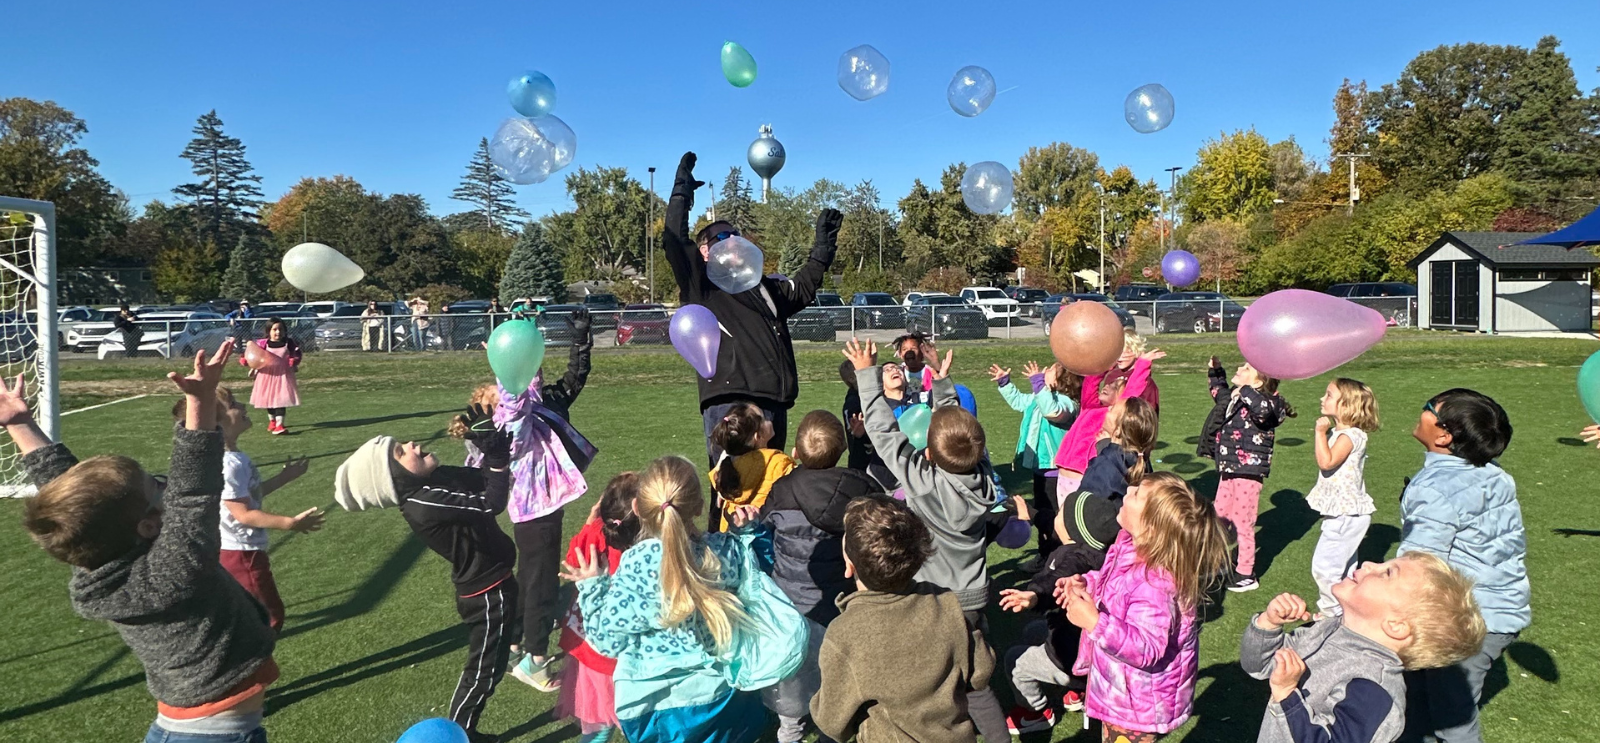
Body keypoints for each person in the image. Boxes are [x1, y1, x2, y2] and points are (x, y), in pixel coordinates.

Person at [15, 342, 282, 743]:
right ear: (146, 527)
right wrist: (201, 401)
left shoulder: (99, 555)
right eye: (156, 487)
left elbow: (69, 491)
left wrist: (19, 422)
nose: (164, 485)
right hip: (215, 737)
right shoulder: (174, 572)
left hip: (187, 728)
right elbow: (194, 492)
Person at [661, 152, 842, 527]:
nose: (730, 241)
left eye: (734, 235)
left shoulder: (765, 288)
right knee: (731, 497)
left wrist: (823, 246)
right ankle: (722, 567)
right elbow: (673, 240)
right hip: (728, 403)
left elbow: (804, 287)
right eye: (719, 236)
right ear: (705, 251)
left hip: (772, 404)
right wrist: (681, 191)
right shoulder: (703, 285)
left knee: (773, 495)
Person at [843, 337, 1010, 742]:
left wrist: (867, 375)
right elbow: (959, 434)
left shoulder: (926, 483)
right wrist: (943, 382)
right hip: (974, 598)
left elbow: (884, 434)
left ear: (929, 455)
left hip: (936, 601)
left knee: (933, 677)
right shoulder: (984, 477)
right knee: (975, 679)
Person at [333, 408, 516, 743]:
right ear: (395, 480)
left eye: (403, 443)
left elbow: (481, 482)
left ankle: (464, 730)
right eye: (401, 452)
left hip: (492, 583)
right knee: (484, 670)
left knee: (492, 661)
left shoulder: (433, 484)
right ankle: (458, 734)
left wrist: (485, 446)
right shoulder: (424, 501)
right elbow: (492, 501)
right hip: (486, 592)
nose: (413, 444)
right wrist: (499, 459)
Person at [564, 455, 774, 743]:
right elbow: (762, 578)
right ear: (700, 506)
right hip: (722, 696)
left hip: (653, 709)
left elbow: (606, 641)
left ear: (637, 507)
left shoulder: (636, 566)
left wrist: (593, 588)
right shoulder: (725, 552)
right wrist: (750, 533)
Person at [467, 307, 596, 691]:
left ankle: (520, 641)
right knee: (540, 582)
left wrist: (526, 330)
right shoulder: (510, 424)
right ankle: (535, 660)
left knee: (532, 577)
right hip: (536, 511)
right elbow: (516, 394)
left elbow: (529, 384)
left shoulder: (524, 411)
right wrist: (501, 362)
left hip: (538, 509)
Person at [1056, 472, 1232, 743]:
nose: (1128, 491)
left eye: (1137, 494)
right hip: (1124, 693)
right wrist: (1086, 585)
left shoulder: (1156, 583)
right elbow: (1116, 589)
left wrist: (1094, 621)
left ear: (1150, 526)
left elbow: (1147, 648)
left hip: (1136, 707)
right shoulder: (1129, 545)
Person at [1241, 554, 1487, 743]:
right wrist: (1268, 624)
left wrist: (1286, 695)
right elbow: (1259, 666)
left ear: (1396, 625)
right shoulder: (1326, 628)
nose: (1369, 564)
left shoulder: (1375, 690)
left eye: (1387, 573)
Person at [1398, 389, 1527, 743]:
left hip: (1463, 622)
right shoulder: (1494, 474)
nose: (1421, 411)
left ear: (1443, 435)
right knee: (1416, 706)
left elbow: (1418, 565)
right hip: (1500, 613)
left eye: (1429, 409)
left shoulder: (1435, 488)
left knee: (1453, 725)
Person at [810, 496, 996, 743]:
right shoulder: (944, 603)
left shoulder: (844, 633)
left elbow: (832, 722)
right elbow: (981, 671)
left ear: (849, 566)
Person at [759, 410, 883, 743]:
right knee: (837, 678)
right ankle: (832, 731)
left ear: (796, 452)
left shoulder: (782, 490)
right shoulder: (860, 485)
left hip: (794, 603)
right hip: (840, 603)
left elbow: (763, 532)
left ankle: (791, 733)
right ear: (842, 447)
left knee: (795, 680)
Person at [168, 388, 321, 634]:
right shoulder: (230, 464)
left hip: (233, 550)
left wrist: (283, 478)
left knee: (246, 613)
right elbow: (243, 513)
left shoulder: (231, 457)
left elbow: (248, 495)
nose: (243, 405)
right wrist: (290, 523)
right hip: (241, 553)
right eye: (234, 404)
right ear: (216, 421)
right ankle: (252, 666)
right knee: (269, 616)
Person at [553, 473, 641, 743]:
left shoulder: (593, 533)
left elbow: (571, 559)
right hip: (619, 658)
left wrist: (589, 523)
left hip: (587, 647)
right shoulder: (639, 551)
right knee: (631, 719)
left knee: (598, 724)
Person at [1209, 358, 1296, 592]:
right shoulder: (1238, 396)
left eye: (1246, 368)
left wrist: (1246, 389)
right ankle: (1221, 561)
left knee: (1242, 521)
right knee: (1220, 517)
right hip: (1229, 468)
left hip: (1249, 471)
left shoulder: (1269, 402)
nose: (1239, 368)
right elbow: (1219, 392)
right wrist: (1216, 371)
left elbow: (1264, 411)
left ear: (1259, 381)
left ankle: (1245, 572)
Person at [992, 360, 1081, 566]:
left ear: (1063, 380)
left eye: (1050, 369)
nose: (1045, 370)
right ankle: (1045, 555)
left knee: (1054, 517)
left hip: (1057, 474)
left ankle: (1056, 557)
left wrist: (1039, 385)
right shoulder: (1039, 397)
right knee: (1042, 515)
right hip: (1040, 471)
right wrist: (1005, 383)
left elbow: (1052, 412)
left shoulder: (1068, 402)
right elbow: (1019, 402)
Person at [1307, 378, 1381, 617]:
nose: (1322, 398)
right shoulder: (1343, 434)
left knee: (1325, 568)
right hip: (1343, 513)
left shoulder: (1349, 436)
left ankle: (1332, 613)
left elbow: (1326, 462)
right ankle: (1346, 610)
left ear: (1346, 405)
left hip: (1346, 514)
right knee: (1344, 569)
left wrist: (1319, 433)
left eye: (1329, 395)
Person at [1052, 332, 1162, 490]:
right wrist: (1105, 362)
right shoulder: (1090, 407)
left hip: (1083, 475)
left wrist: (1143, 364)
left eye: (1114, 386)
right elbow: (1091, 381)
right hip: (1064, 472)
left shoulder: (1115, 414)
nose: (1107, 386)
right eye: (1108, 384)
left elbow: (1133, 390)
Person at [709, 402, 797, 528]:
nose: (769, 420)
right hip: (765, 540)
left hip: (732, 539)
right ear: (758, 436)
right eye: (764, 419)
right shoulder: (780, 463)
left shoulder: (724, 470)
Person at [242, 318, 302, 436]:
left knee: (280, 401)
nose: (278, 332)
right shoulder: (263, 344)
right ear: (269, 331)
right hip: (266, 376)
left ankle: (280, 425)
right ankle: (272, 421)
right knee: (268, 400)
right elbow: (254, 355)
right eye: (275, 329)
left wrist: (294, 361)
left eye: (280, 329)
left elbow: (296, 354)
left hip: (282, 376)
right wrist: (249, 364)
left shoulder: (288, 343)